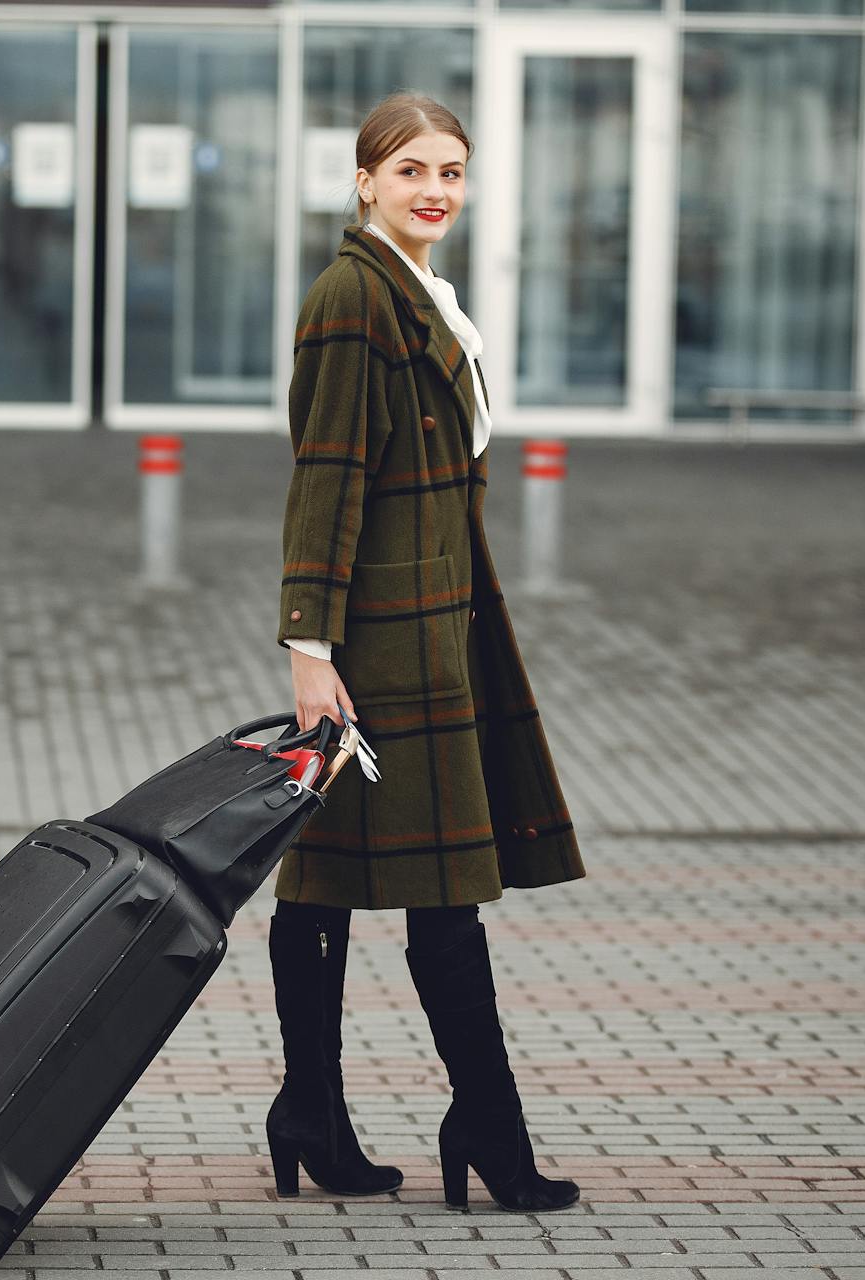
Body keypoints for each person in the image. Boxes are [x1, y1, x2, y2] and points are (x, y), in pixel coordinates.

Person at [268, 92, 586, 1214]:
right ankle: (487, 1126)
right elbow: (329, 473)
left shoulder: (423, 296)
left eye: (450, 170)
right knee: (439, 885)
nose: (434, 190)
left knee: (333, 873)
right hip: (384, 634)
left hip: (438, 619)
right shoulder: (353, 297)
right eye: (410, 170)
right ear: (364, 181)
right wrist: (309, 645)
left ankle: (311, 1107)